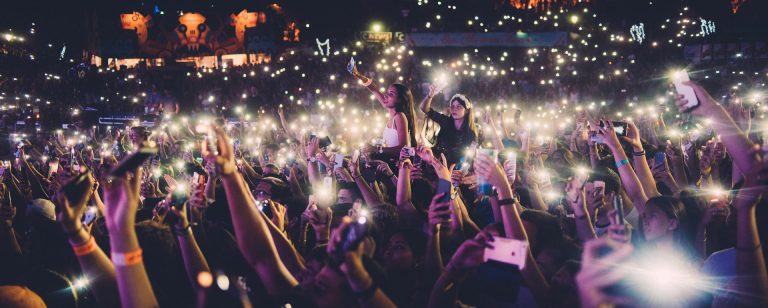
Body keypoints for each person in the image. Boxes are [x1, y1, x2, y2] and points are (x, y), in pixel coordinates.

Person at [350, 66, 417, 164]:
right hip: (388, 161)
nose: (386, 96)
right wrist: (359, 76)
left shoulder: (399, 117)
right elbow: (374, 89)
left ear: (399, 100)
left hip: (397, 166)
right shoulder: (392, 114)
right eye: (387, 93)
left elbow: (404, 148)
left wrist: (375, 149)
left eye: (391, 94)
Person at [419, 85, 478, 166]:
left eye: (459, 107)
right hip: (436, 163)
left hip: (455, 170)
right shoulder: (445, 121)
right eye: (452, 106)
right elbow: (424, 108)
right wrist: (430, 95)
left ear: (467, 111)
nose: (454, 109)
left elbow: (470, 160)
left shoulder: (471, 134)